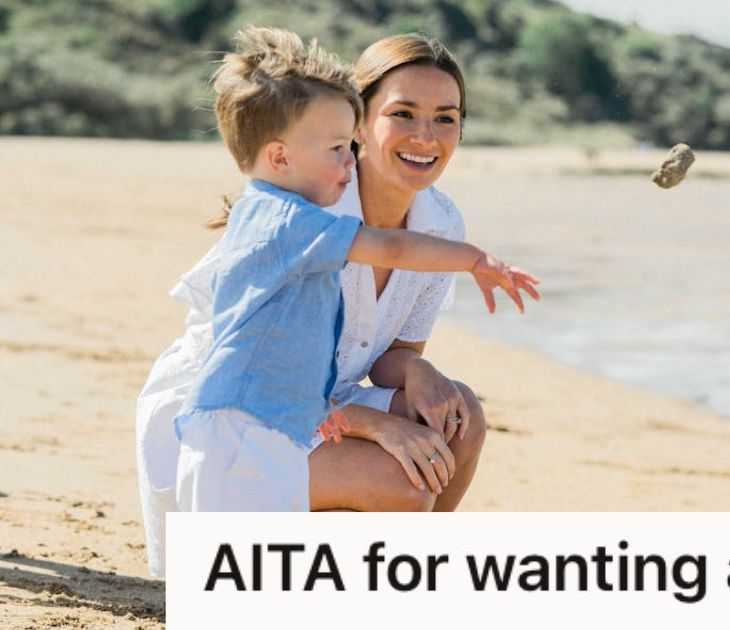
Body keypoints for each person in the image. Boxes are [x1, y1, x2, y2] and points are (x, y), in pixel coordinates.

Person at [135, 28, 537, 574]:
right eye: (403, 114)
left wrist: (419, 370)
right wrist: (368, 423)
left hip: (314, 405)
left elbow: (390, 354)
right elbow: (245, 374)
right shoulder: (303, 214)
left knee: (457, 417)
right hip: (233, 423)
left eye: (446, 117)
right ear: (359, 125)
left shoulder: (439, 219)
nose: (426, 135)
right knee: (403, 483)